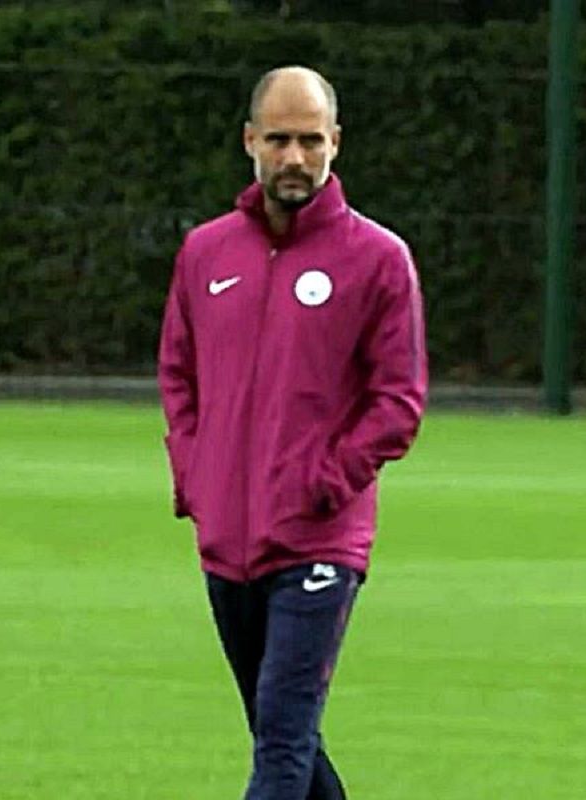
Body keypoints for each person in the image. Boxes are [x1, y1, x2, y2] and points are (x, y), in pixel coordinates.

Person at [157, 65, 428, 800]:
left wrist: (322, 484)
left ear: (336, 143)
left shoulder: (377, 260)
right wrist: (197, 477)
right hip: (226, 541)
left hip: (319, 542)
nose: (295, 158)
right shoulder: (205, 254)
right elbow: (179, 380)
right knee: (287, 737)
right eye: (278, 140)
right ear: (250, 141)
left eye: (311, 140)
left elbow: (398, 402)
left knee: (280, 738)